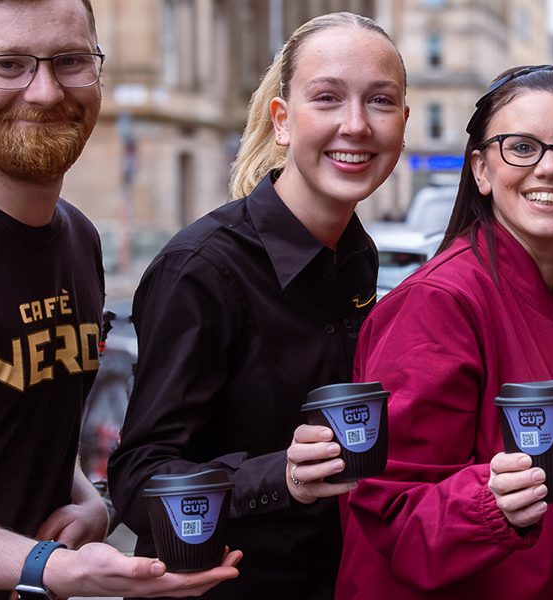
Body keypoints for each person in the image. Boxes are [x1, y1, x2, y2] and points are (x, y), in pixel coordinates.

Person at [0, 0, 240, 598]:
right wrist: (48, 565)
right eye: (8, 64)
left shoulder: (78, 236)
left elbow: (13, 425)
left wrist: (86, 503)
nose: (46, 91)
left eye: (70, 60)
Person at [107, 13, 406, 599]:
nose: (356, 124)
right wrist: (281, 477)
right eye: (327, 98)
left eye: (380, 101)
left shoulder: (358, 253)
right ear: (283, 121)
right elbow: (138, 479)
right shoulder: (201, 269)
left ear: (403, 122)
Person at [338, 64, 553, 599]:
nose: (549, 168)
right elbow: (387, 509)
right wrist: (489, 504)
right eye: (521, 147)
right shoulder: (436, 306)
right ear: (482, 170)